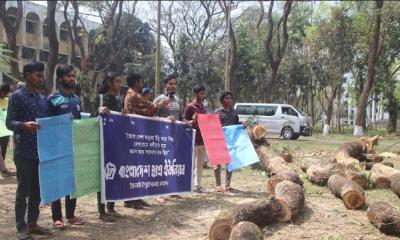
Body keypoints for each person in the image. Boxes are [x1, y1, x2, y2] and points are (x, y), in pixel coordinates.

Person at [6, 62, 50, 240]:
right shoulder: (17, 97)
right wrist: (24, 125)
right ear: (27, 76)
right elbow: (9, 123)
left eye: (41, 75)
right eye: (37, 75)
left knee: (37, 191)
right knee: (23, 190)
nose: (41, 78)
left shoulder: (42, 99)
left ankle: (32, 223)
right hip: (23, 151)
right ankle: (21, 226)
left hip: (40, 152)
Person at [123, 72, 169, 208]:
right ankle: (131, 199)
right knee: (134, 167)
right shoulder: (133, 95)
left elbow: (145, 111)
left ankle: (136, 197)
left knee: (138, 166)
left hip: (137, 133)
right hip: (133, 133)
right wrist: (161, 103)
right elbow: (152, 108)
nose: (141, 84)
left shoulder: (131, 94)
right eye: (140, 81)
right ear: (137, 82)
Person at [48, 65, 83, 228]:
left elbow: (80, 122)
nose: (72, 79)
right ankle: (57, 218)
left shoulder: (77, 100)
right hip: (57, 148)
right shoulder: (52, 99)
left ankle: (70, 214)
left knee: (72, 182)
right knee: (57, 182)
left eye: (73, 76)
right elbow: (46, 125)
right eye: (69, 76)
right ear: (61, 78)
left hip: (74, 147)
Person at [92, 72, 123, 222]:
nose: (119, 85)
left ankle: (111, 207)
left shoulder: (118, 100)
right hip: (101, 143)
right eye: (117, 81)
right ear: (110, 83)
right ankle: (101, 210)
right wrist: (98, 111)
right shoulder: (100, 98)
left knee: (114, 175)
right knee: (102, 177)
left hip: (115, 143)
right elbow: (91, 119)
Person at [214, 91, 241, 193]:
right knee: (217, 163)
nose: (229, 100)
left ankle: (227, 185)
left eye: (230, 98)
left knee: (229, 163)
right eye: (227, 98)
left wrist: (242, 125)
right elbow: (212, 125)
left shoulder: (234, 112)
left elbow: (237, 125)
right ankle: (218, 185)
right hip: (218, 141)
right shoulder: (217, 112)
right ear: (222, 100)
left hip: (231, 141)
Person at [183, 85, 208, 193]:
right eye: (201, 93)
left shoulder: (203, 107)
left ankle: (198, 185)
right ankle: (189, 185)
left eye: (204, 93)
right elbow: (183, 120)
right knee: (191, 163)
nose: (203, 96)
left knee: (200, 164)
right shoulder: (190, 106)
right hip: (192, 139)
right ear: (196, 94)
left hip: (202, 139)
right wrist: (192, 120)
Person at [0, 83, 15, 178]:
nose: (5, 94)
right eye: (4, 92)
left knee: (4, 150)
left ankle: (3, 169)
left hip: (5, 131)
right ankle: (4, 170)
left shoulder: (7, 100)